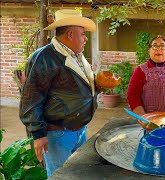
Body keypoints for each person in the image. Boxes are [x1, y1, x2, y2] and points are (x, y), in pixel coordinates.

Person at [19, 9, 98, 177]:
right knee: (60, 176)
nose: (85, 38)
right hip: (58, 134)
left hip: (79, 130)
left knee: (77, 173)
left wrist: (98, 86)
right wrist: (38, 134)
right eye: (83, 34)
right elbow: (31, 99)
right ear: (70, 34)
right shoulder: (43, 58)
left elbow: (74, 88)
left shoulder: (77, 55)